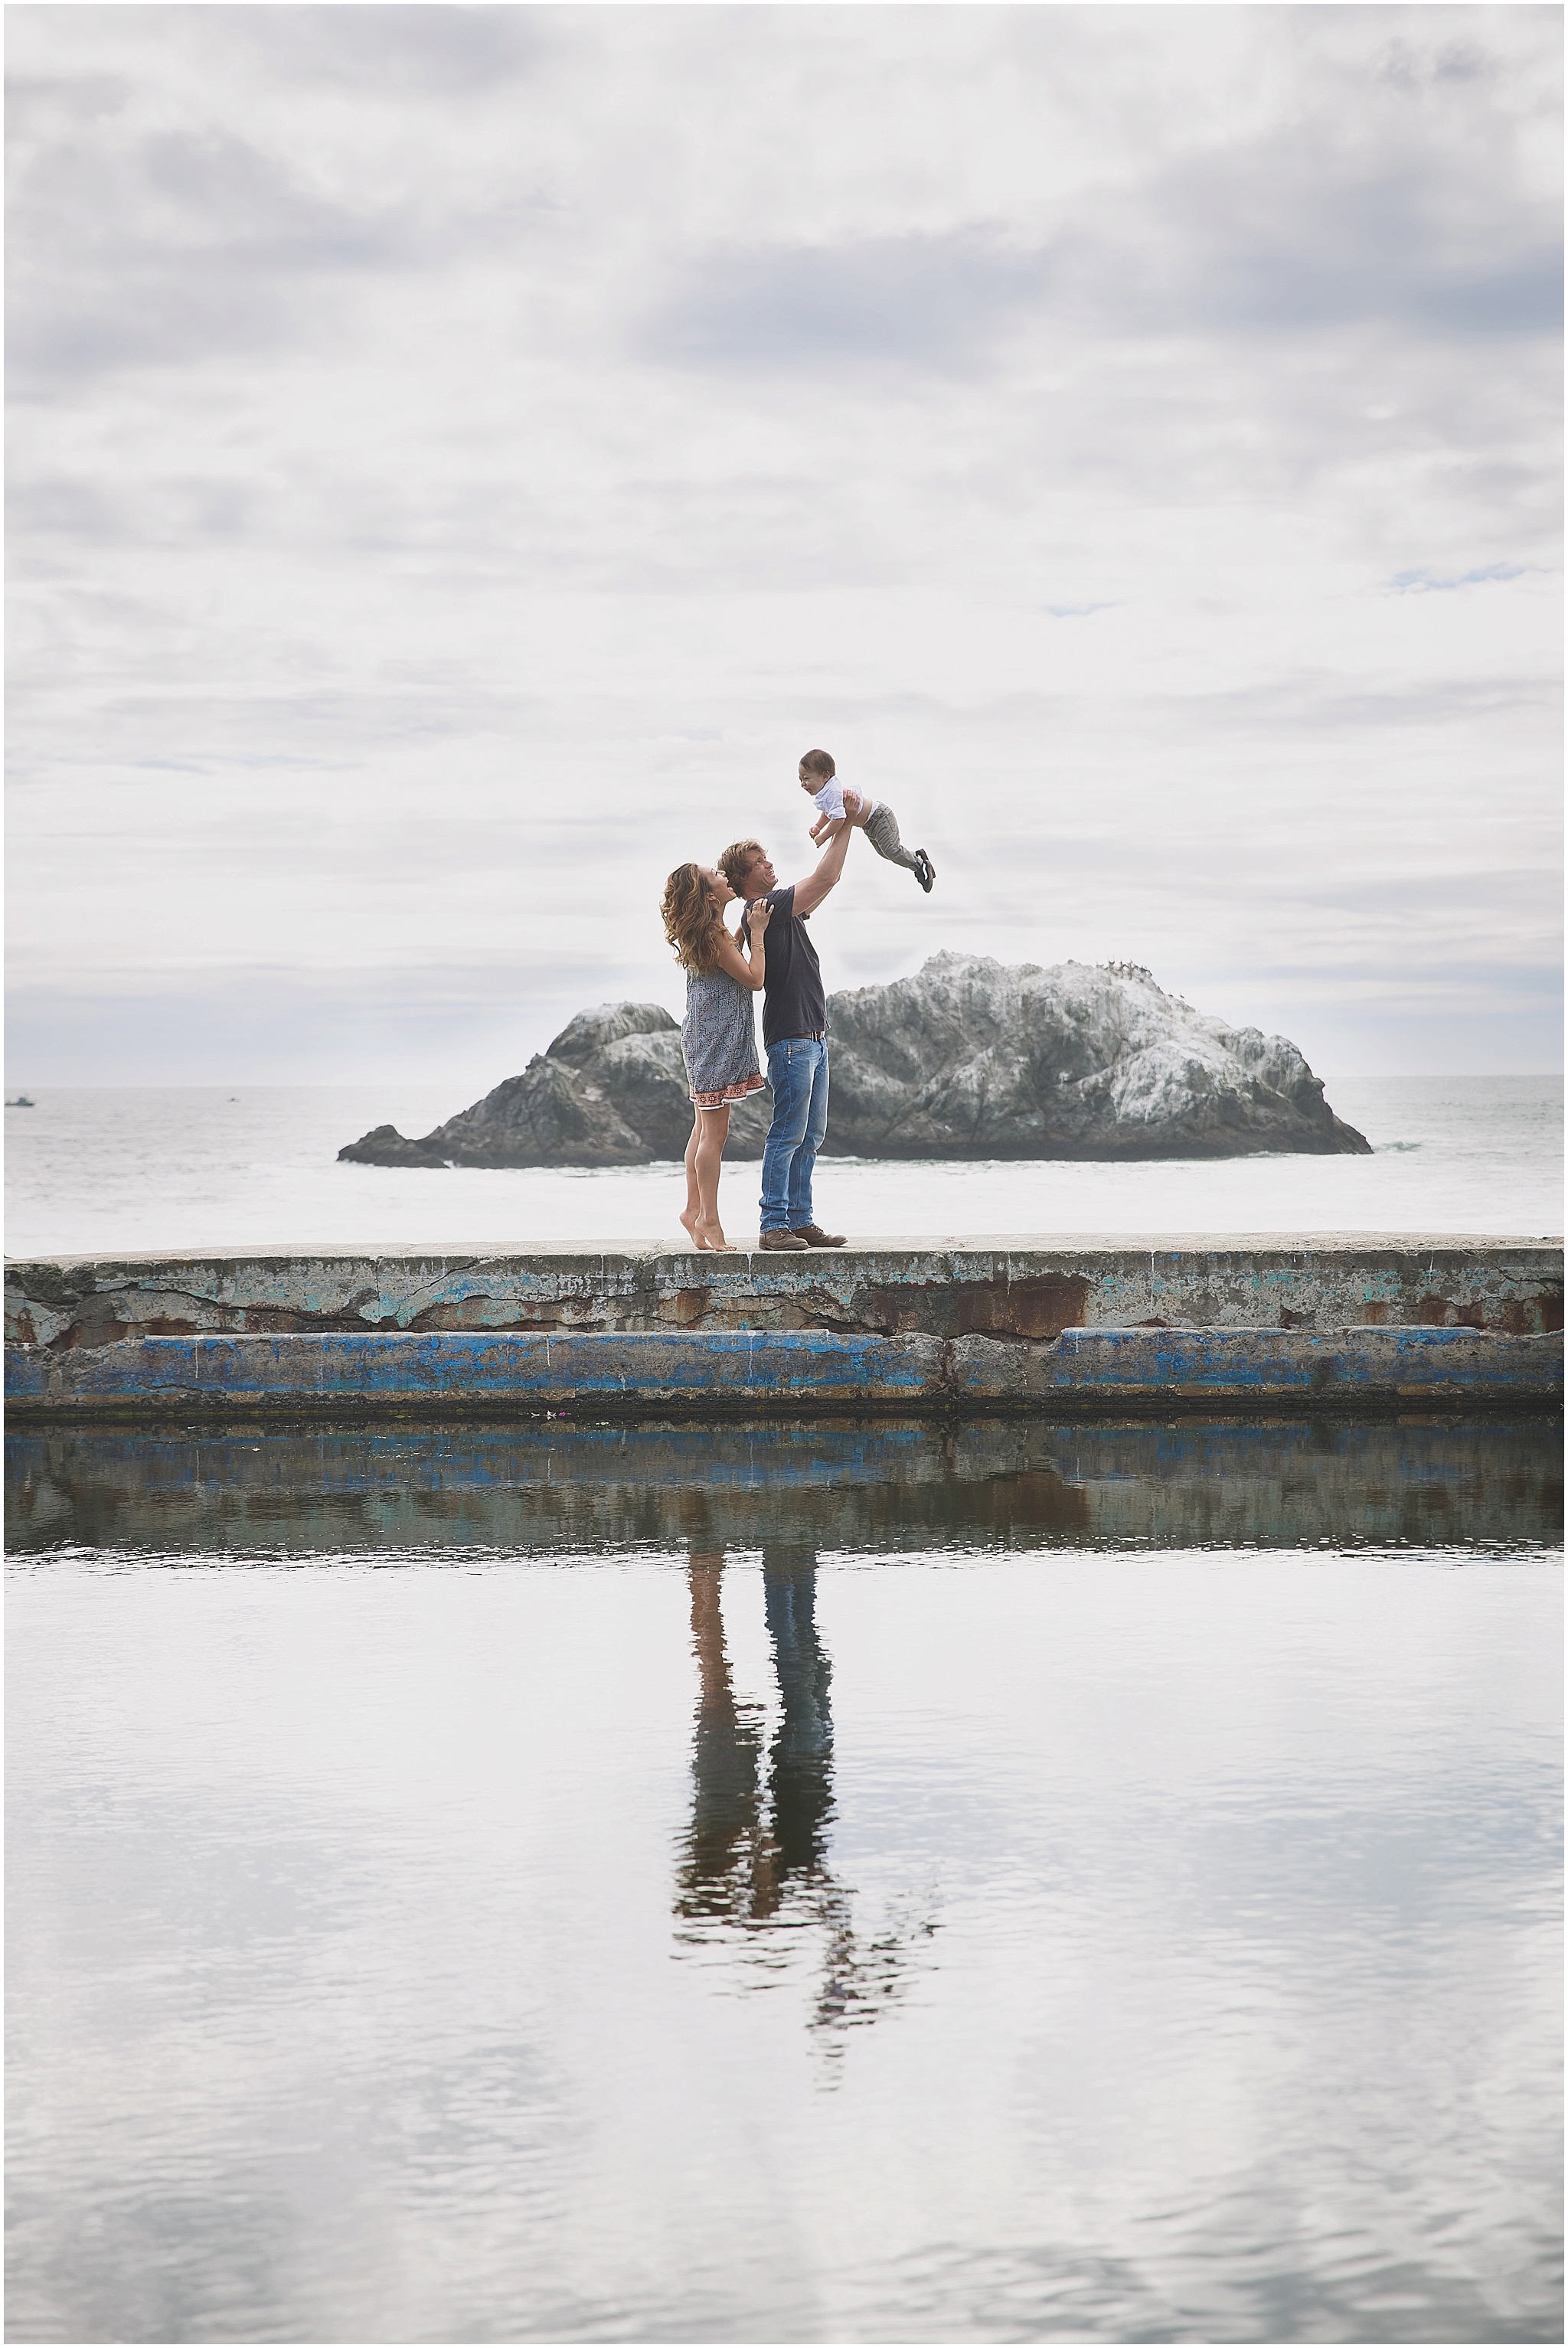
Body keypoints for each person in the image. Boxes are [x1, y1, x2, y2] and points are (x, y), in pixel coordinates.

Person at [717, 821, 852, 1252]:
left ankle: (799, 1220)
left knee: (810, 1135)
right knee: (788, 1133)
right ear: (742, 881)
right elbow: (826, 877)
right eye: (759, 862)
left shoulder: (772, 910)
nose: (769, 863)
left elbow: (822, 887)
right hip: (792, 1039)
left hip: (813, 1036)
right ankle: (773, 1224)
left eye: (767, 857)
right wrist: (847, 823)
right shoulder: (764, 907)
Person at [660, 861, 772, 1252]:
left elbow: (728, 960)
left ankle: (693, 1210)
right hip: (714, 1043)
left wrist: (742, 929)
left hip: (706, 1039)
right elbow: (754, 978)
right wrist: (757, 934)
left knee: (702, 1131)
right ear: (710, 896)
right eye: (717, 876)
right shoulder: (711, 933)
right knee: (715, 1135)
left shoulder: (711, 931)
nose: (725, 876)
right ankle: (709, 1217)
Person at [800, 746, 933, 893]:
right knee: (884, 853)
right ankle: (916, 856)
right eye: (800, 780)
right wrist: (818, 826)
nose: (803, 784)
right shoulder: (826, 793)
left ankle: (920, 864)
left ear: (825, 776)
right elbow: (829, 813)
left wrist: (823, 837)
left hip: (880, 818)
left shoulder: (833, 791)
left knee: (891, 851)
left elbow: (839, 819)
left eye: (806, 778)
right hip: (869, 825)